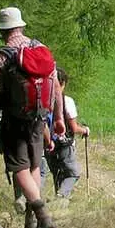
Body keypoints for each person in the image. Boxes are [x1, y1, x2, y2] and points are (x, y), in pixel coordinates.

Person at [0, 7, 64, 228]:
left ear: (2, 30)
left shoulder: (0, 56)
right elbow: (55, 86)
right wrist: (58, 118)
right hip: (39, 118)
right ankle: (31, 219)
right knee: (35, 165)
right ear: (21, 26)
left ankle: (42, 214)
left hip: (14, 120)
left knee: (19, 168)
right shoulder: (40, 49)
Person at [44, 68, 89, 199]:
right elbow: (74, 128)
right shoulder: (67, 101)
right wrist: (85, 130)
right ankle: (61, 195)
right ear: (62, 83)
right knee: (73, 173)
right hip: (64, 143)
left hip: (47, 141)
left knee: (57, 173)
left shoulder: (43, 98)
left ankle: (60, 202)